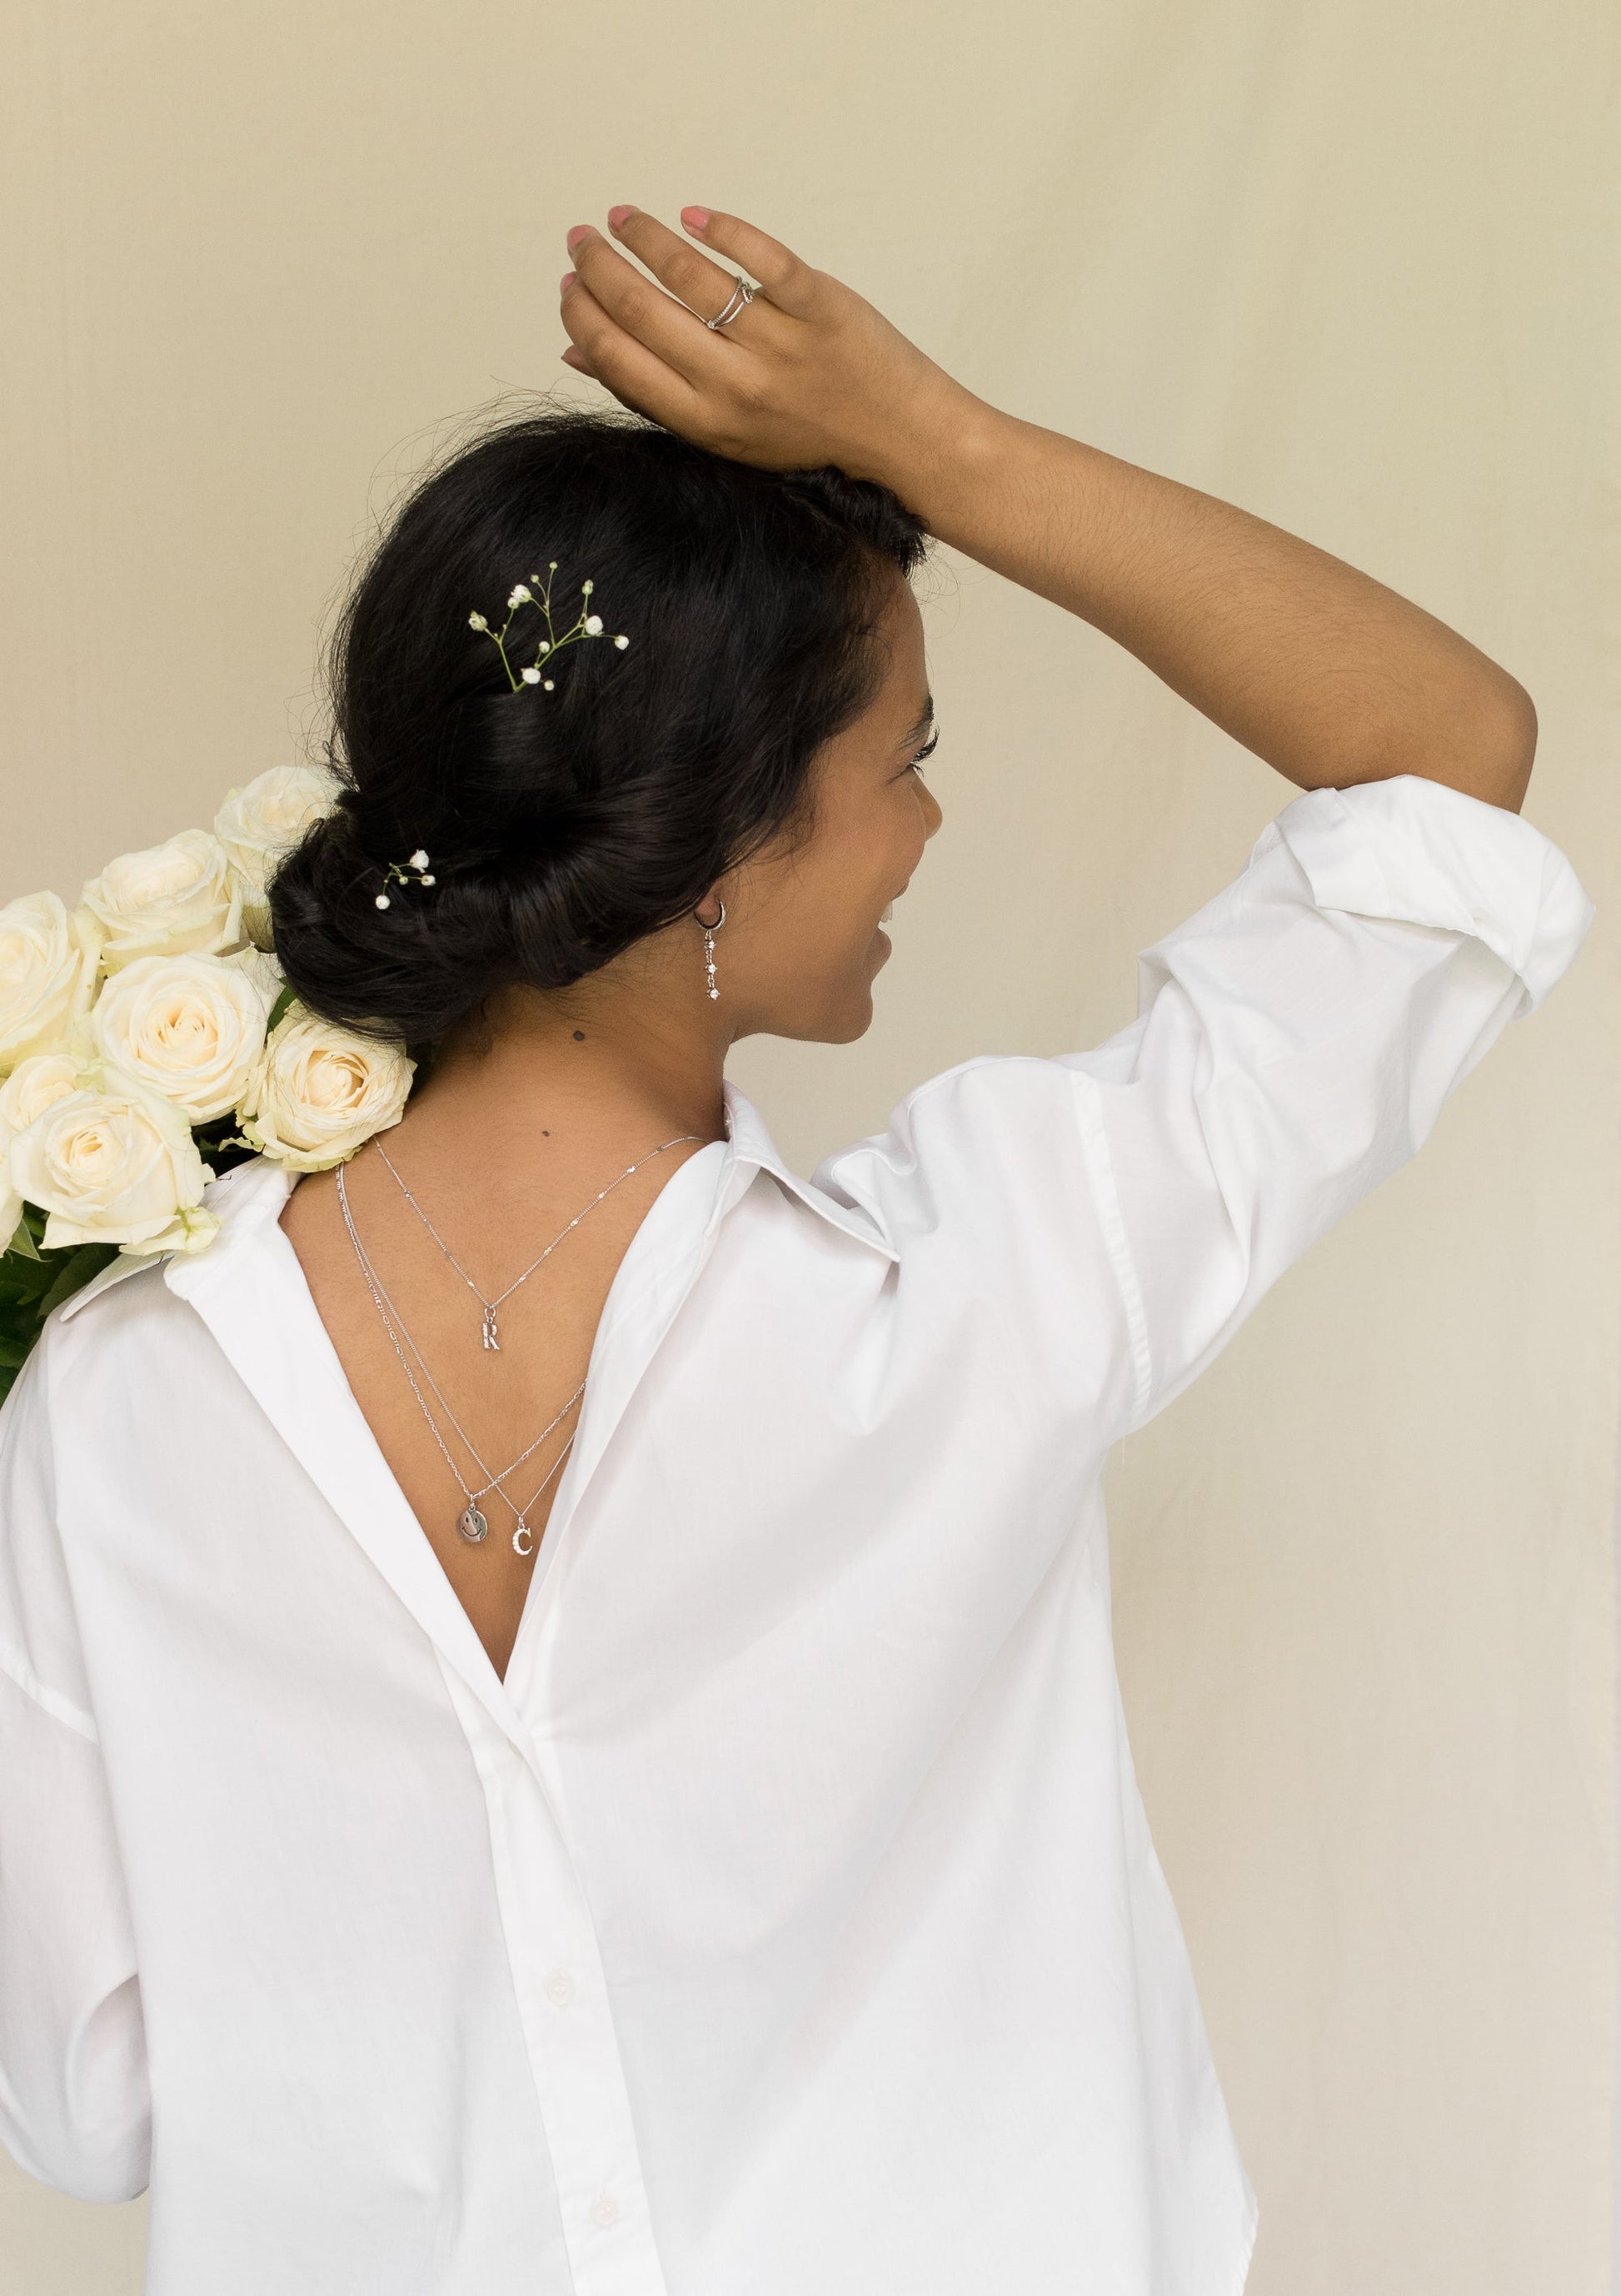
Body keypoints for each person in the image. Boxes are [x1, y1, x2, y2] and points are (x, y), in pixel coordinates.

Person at [0, 205, 1590, 2296]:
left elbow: (88, 2096)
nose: (924, 824)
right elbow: (1444, 761)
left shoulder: (116, 1392)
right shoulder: (990, 1285)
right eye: (901, 760)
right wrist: (938, 437)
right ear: (726, 835)